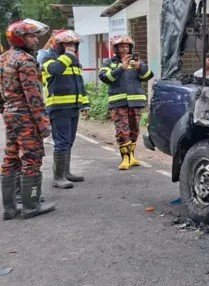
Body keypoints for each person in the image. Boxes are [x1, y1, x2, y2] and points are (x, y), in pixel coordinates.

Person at [1, 19, 56, 219]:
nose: (36, 39)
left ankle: (9, 208)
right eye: (31, 36)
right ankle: (31, 205)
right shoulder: (25, 60)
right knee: (32, 157)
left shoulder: (4, 58)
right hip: (26, 115)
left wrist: (6, 110)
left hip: (10, 113)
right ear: (19, 38)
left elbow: (1, 92)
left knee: (11, 157)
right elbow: (33, 95)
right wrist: (43, 124)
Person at [41, 30, 89, 188]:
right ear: (59, 45)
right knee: (61, 142)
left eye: (74, 44)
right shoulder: (48, 59)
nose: (72, 47)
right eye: (68, 44)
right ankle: (58, 177)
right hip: (58, 107)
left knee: (69, 141)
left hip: (73, 107)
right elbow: (56, 70)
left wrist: (85, 103)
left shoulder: (74, 63)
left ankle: (66, 172)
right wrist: (68, 56)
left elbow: (80, 85)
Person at [99, 35, 153, 170]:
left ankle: (132, 156)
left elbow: (148, 76)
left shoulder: (136, 62)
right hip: (118, 103)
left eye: (127, 46)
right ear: (116, 48)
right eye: (122, 46)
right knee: (122, 131)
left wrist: (140, 67)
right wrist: (121, 68)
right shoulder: (109, 63)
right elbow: (105, 78)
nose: (125, 48)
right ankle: (125, 159)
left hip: (136, 102)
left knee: (134, 130)